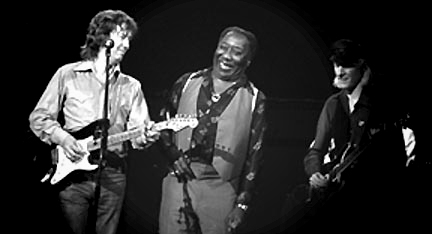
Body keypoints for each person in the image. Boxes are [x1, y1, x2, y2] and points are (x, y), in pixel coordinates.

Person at [28, 9, 158, 234]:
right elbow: (39, 118)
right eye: (122, 36)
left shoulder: (132, 86)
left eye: (129, 39)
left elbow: (138, 136)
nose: (127, 45)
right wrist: (65, 139)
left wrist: (147, 136)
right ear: (102, 37)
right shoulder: (67, 74)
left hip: (113, 176)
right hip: (73, 175)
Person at [157, 26, 267, 234]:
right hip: (178, 179)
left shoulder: (254, 98)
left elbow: (256, 154)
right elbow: (162, 123)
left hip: (221, 185)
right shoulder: (187, 81)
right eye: (223, 48)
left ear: (247, 61)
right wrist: (171, 154)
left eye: (236, 52)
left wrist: (243, 203)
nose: (226, 56)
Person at [302, 39, 417, 233]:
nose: (339, 71)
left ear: (362, 67)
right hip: (336, 198)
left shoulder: (380, 105)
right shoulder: (333, 104)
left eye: (346, 65)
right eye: (336, 65)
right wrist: (315, 174)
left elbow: (398, 159)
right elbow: (315, 150)